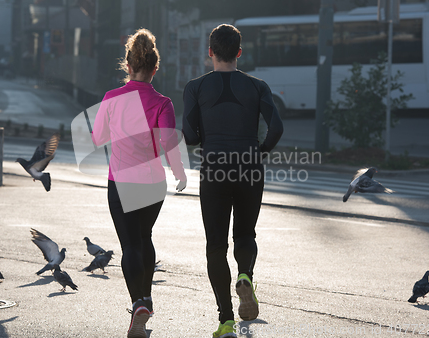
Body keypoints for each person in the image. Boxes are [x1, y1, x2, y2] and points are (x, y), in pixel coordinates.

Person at [182, 24, 284, 338]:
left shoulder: (195, 87)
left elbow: (189, 136)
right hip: (250, 166)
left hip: (214, 168)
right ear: (239, 52)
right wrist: (260, 150)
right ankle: (246, 276)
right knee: (245, 233)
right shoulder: (258, 86)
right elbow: (276, 127)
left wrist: (204, 138)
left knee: (215, 245)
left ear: (210, 52)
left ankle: (226, 320)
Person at [91, 28, 187, 338]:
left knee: (130, 244)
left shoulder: (112, 98)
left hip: (120, 181)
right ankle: (145, 300)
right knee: (144, 236)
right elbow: (170, 143)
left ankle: (138, 304)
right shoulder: (163, 102)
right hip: (152, 183)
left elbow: (97, 139)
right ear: (155, 68)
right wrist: (180, 173)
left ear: (128, 66)